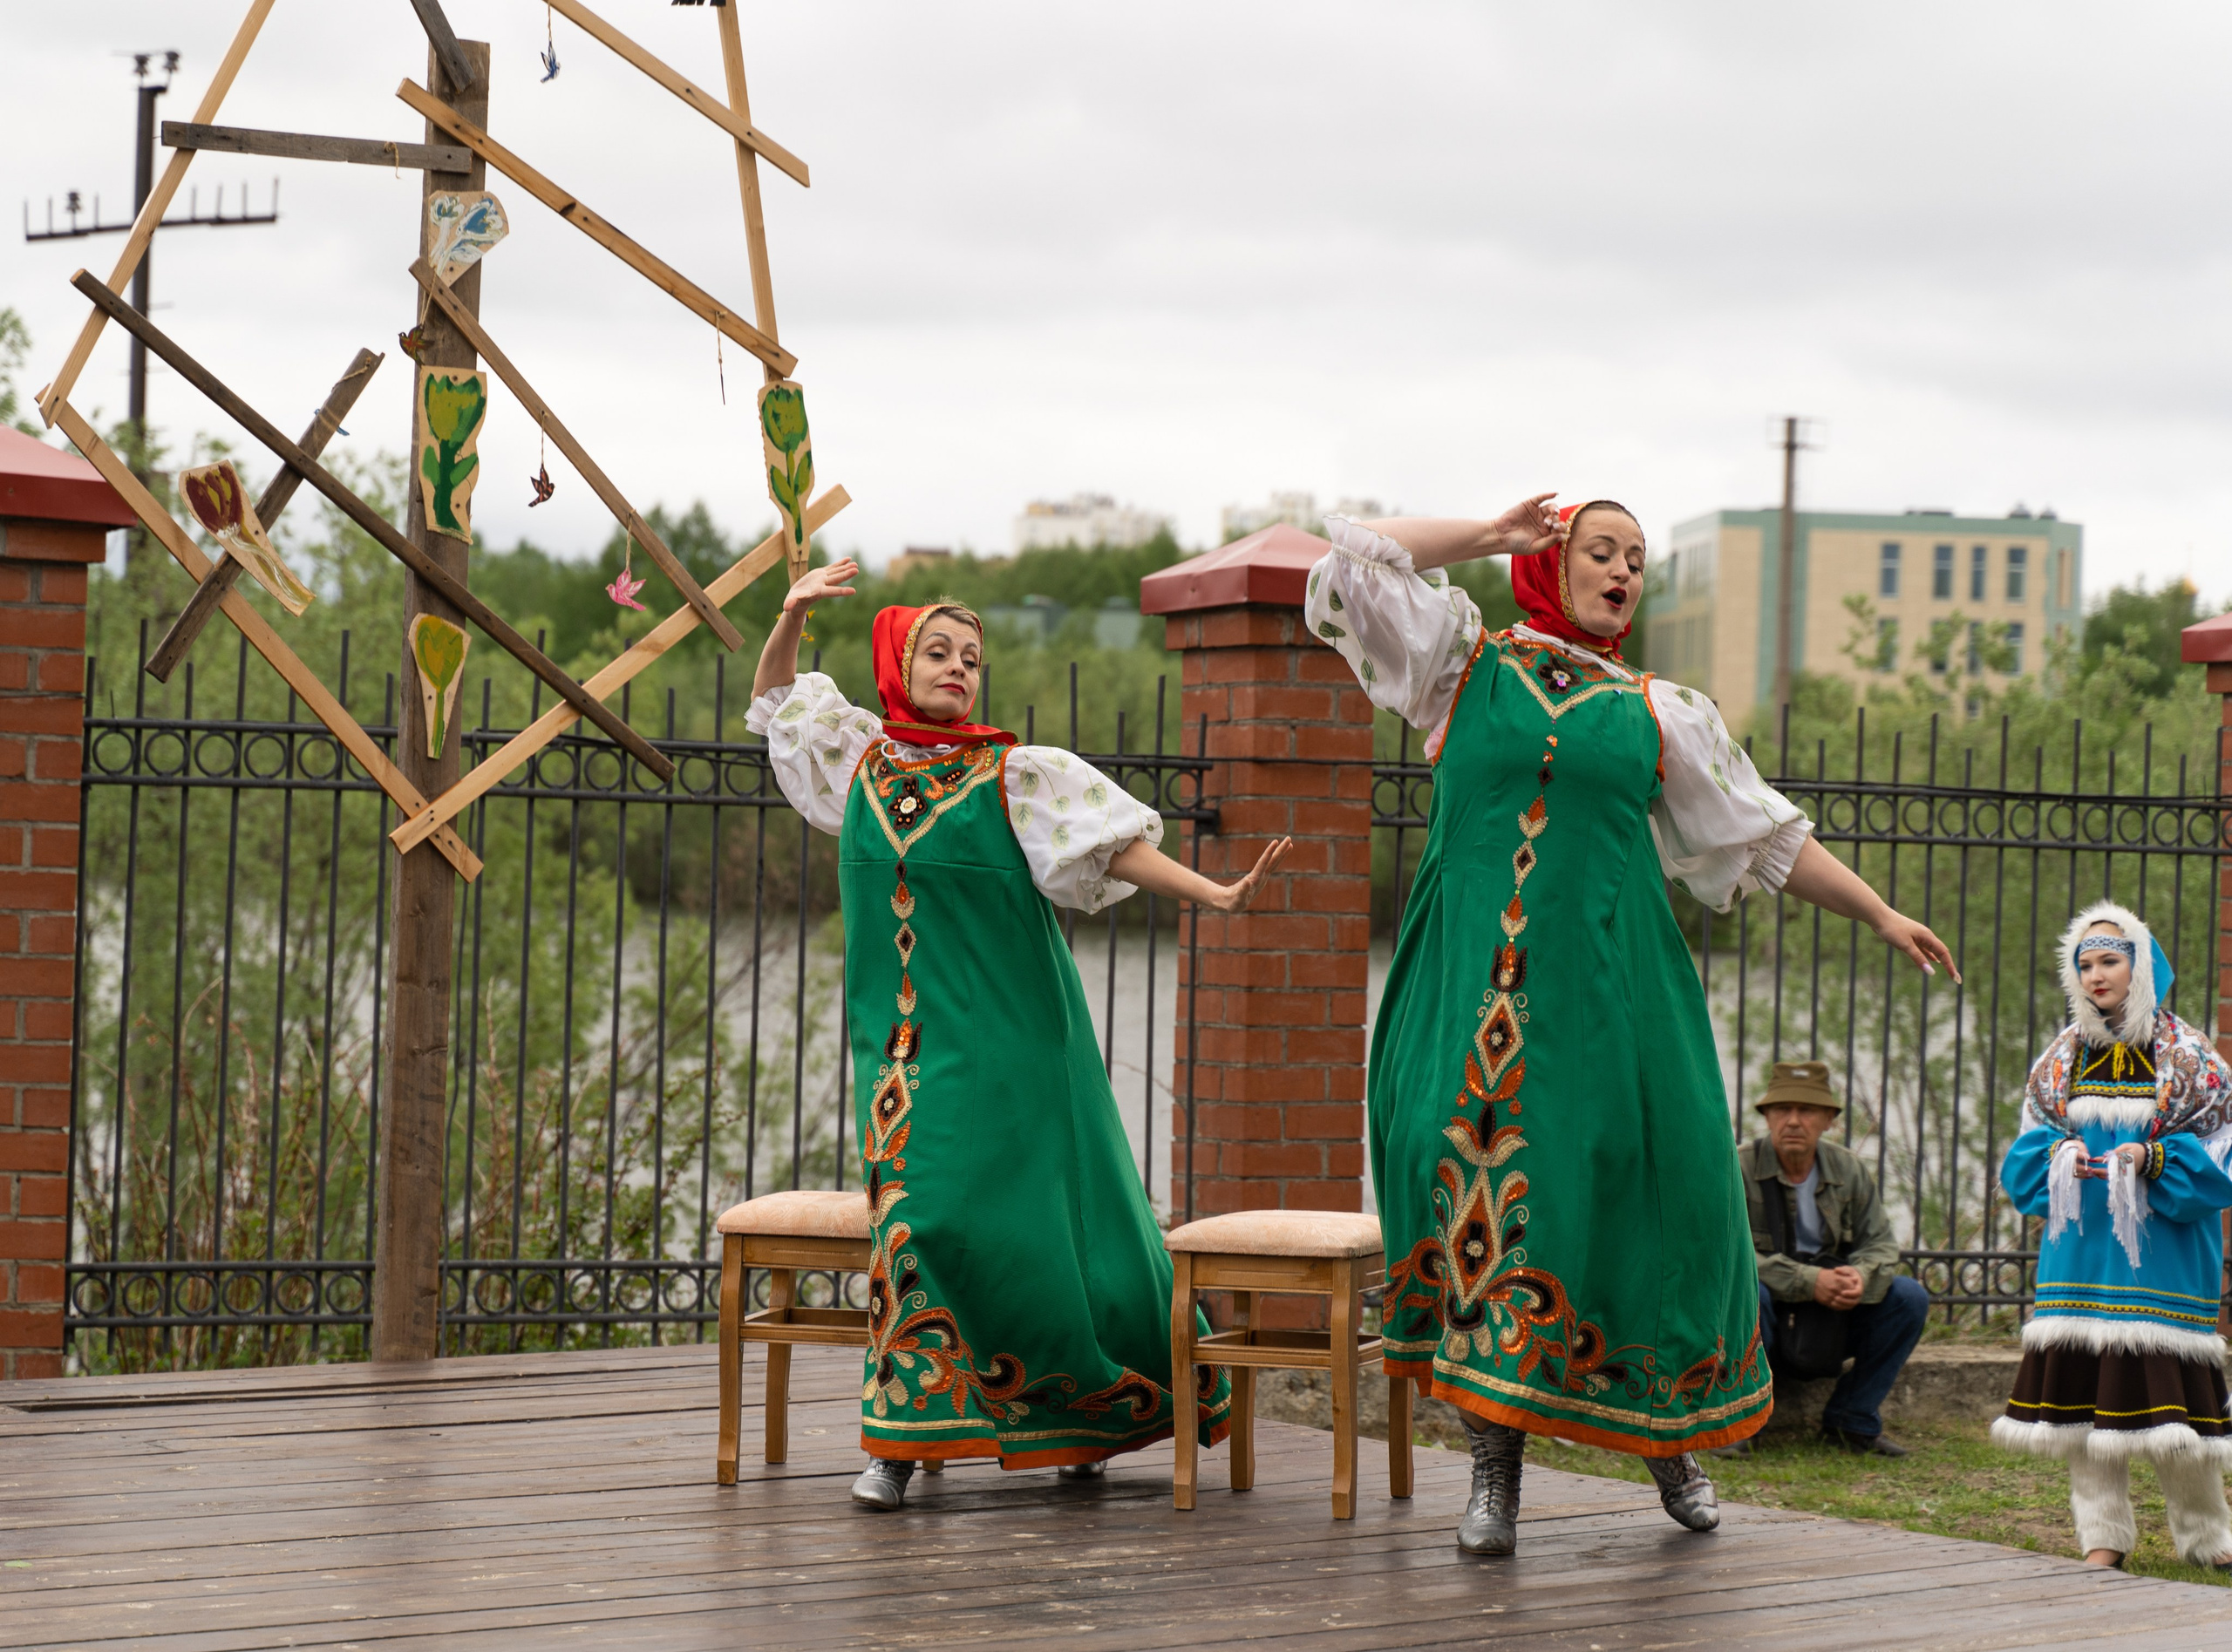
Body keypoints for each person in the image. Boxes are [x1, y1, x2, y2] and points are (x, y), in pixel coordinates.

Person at [1304, 497, 1956, 1557]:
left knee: (1641, 1198)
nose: (1622, 572)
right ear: (1551, 563)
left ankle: (1667, 1433)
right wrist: (1492, 536)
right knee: (1469, 1190)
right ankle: (1494, 1466)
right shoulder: (1461, 661)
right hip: (1467, 983)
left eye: (1637, 561)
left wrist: (1879, 910)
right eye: (1600, 552)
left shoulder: (1661, 712)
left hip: (1610, 992)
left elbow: (1766, 837)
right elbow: (1356, 553)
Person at [747, 561, 1288, 1511]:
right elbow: (776, 701)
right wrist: (790, 613)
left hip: (1016, 1044)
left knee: (1041, 1237)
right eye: (938, 651)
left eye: (972, 657)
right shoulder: (856, 763)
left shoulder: (1014, 775)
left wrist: (1213, 892)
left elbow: (1115, 848)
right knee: (919, 1215)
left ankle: (1078, 1419)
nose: (959, 667)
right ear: (896, 663)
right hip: (906, 1052)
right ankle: (902, 1437)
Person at [1993, 902, 2232, 1570]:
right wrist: (2060, 1154)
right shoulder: (2061, 1057)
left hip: (2164, 1254)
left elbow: (2223, 1155)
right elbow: (2028, 1150)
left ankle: (2208, 1535)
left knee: (2177, 1414)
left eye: (2109, 960)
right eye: (2085, 964)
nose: (2096, 974)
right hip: (2081, 1251)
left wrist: (2154, 1158)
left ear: (2142, 967)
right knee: (2082, 1411)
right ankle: (2102, 1535)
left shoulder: (2191, 1057)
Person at [1735, 1059, 1927, 1458]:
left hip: (1828, 1315)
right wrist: (1808, 1282)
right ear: (1767, 1116)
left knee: (1909, 1297)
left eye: (1806, 1110)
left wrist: (1859, 1277)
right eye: (1782, 1109)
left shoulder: (1848, 1168)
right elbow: (1727, 1254)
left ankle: (1851, 1419)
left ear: (1829, 1120)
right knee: (1747, 1292)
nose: (1793, 1121)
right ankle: (1742, 1421)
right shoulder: (1738, 1167)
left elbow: (1880, 1244)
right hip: (1767, 1308)